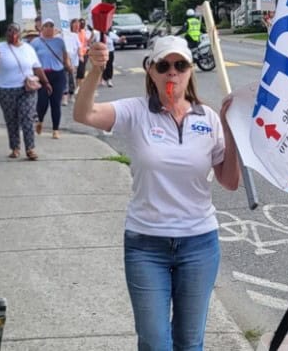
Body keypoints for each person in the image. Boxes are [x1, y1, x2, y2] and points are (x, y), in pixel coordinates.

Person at [73, 35, 242, 350]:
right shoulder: (136, 112)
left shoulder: (208, 118)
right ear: (151, 70)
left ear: (190, 70)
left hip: (199, 244)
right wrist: (95, 70)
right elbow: (84, 115)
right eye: (164, 65)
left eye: (180, 65)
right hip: (146, 245)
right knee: (154, 342)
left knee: (190, 342)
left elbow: (230, 181)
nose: (172, 73)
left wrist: (231, 130)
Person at [0, 23, 51, 160]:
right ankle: (15, 148)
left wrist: (45, 82)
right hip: (5, 89)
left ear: (20, 34)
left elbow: (37, 67)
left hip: (26, 88)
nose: (12, 34)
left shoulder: (28, 49)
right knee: (11, 119)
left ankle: (30, 148)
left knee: (27, 117)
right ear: (6, 34)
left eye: (15, 32)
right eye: (9, 31)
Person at [31, 18, 72, 139]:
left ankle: (55, 129)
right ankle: (40, 121)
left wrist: (69, 66)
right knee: (42, 102)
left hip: (58, 74)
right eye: (46, 26)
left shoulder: (60, 41)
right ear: (41, 28)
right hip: (42, 75)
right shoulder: (36, 42)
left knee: (56, 103)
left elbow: (65, 58)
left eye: (51, 26)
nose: (49, 28)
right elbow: (32, 60)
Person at [61, 18, 81, 107]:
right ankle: (64, 96)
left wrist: (81, 56)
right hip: (64, 60)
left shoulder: (74, 35)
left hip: (73, 60)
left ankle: (71, 94)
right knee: (64, 78)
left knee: (72, 78)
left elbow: (79, 47)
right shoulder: (60, 35)